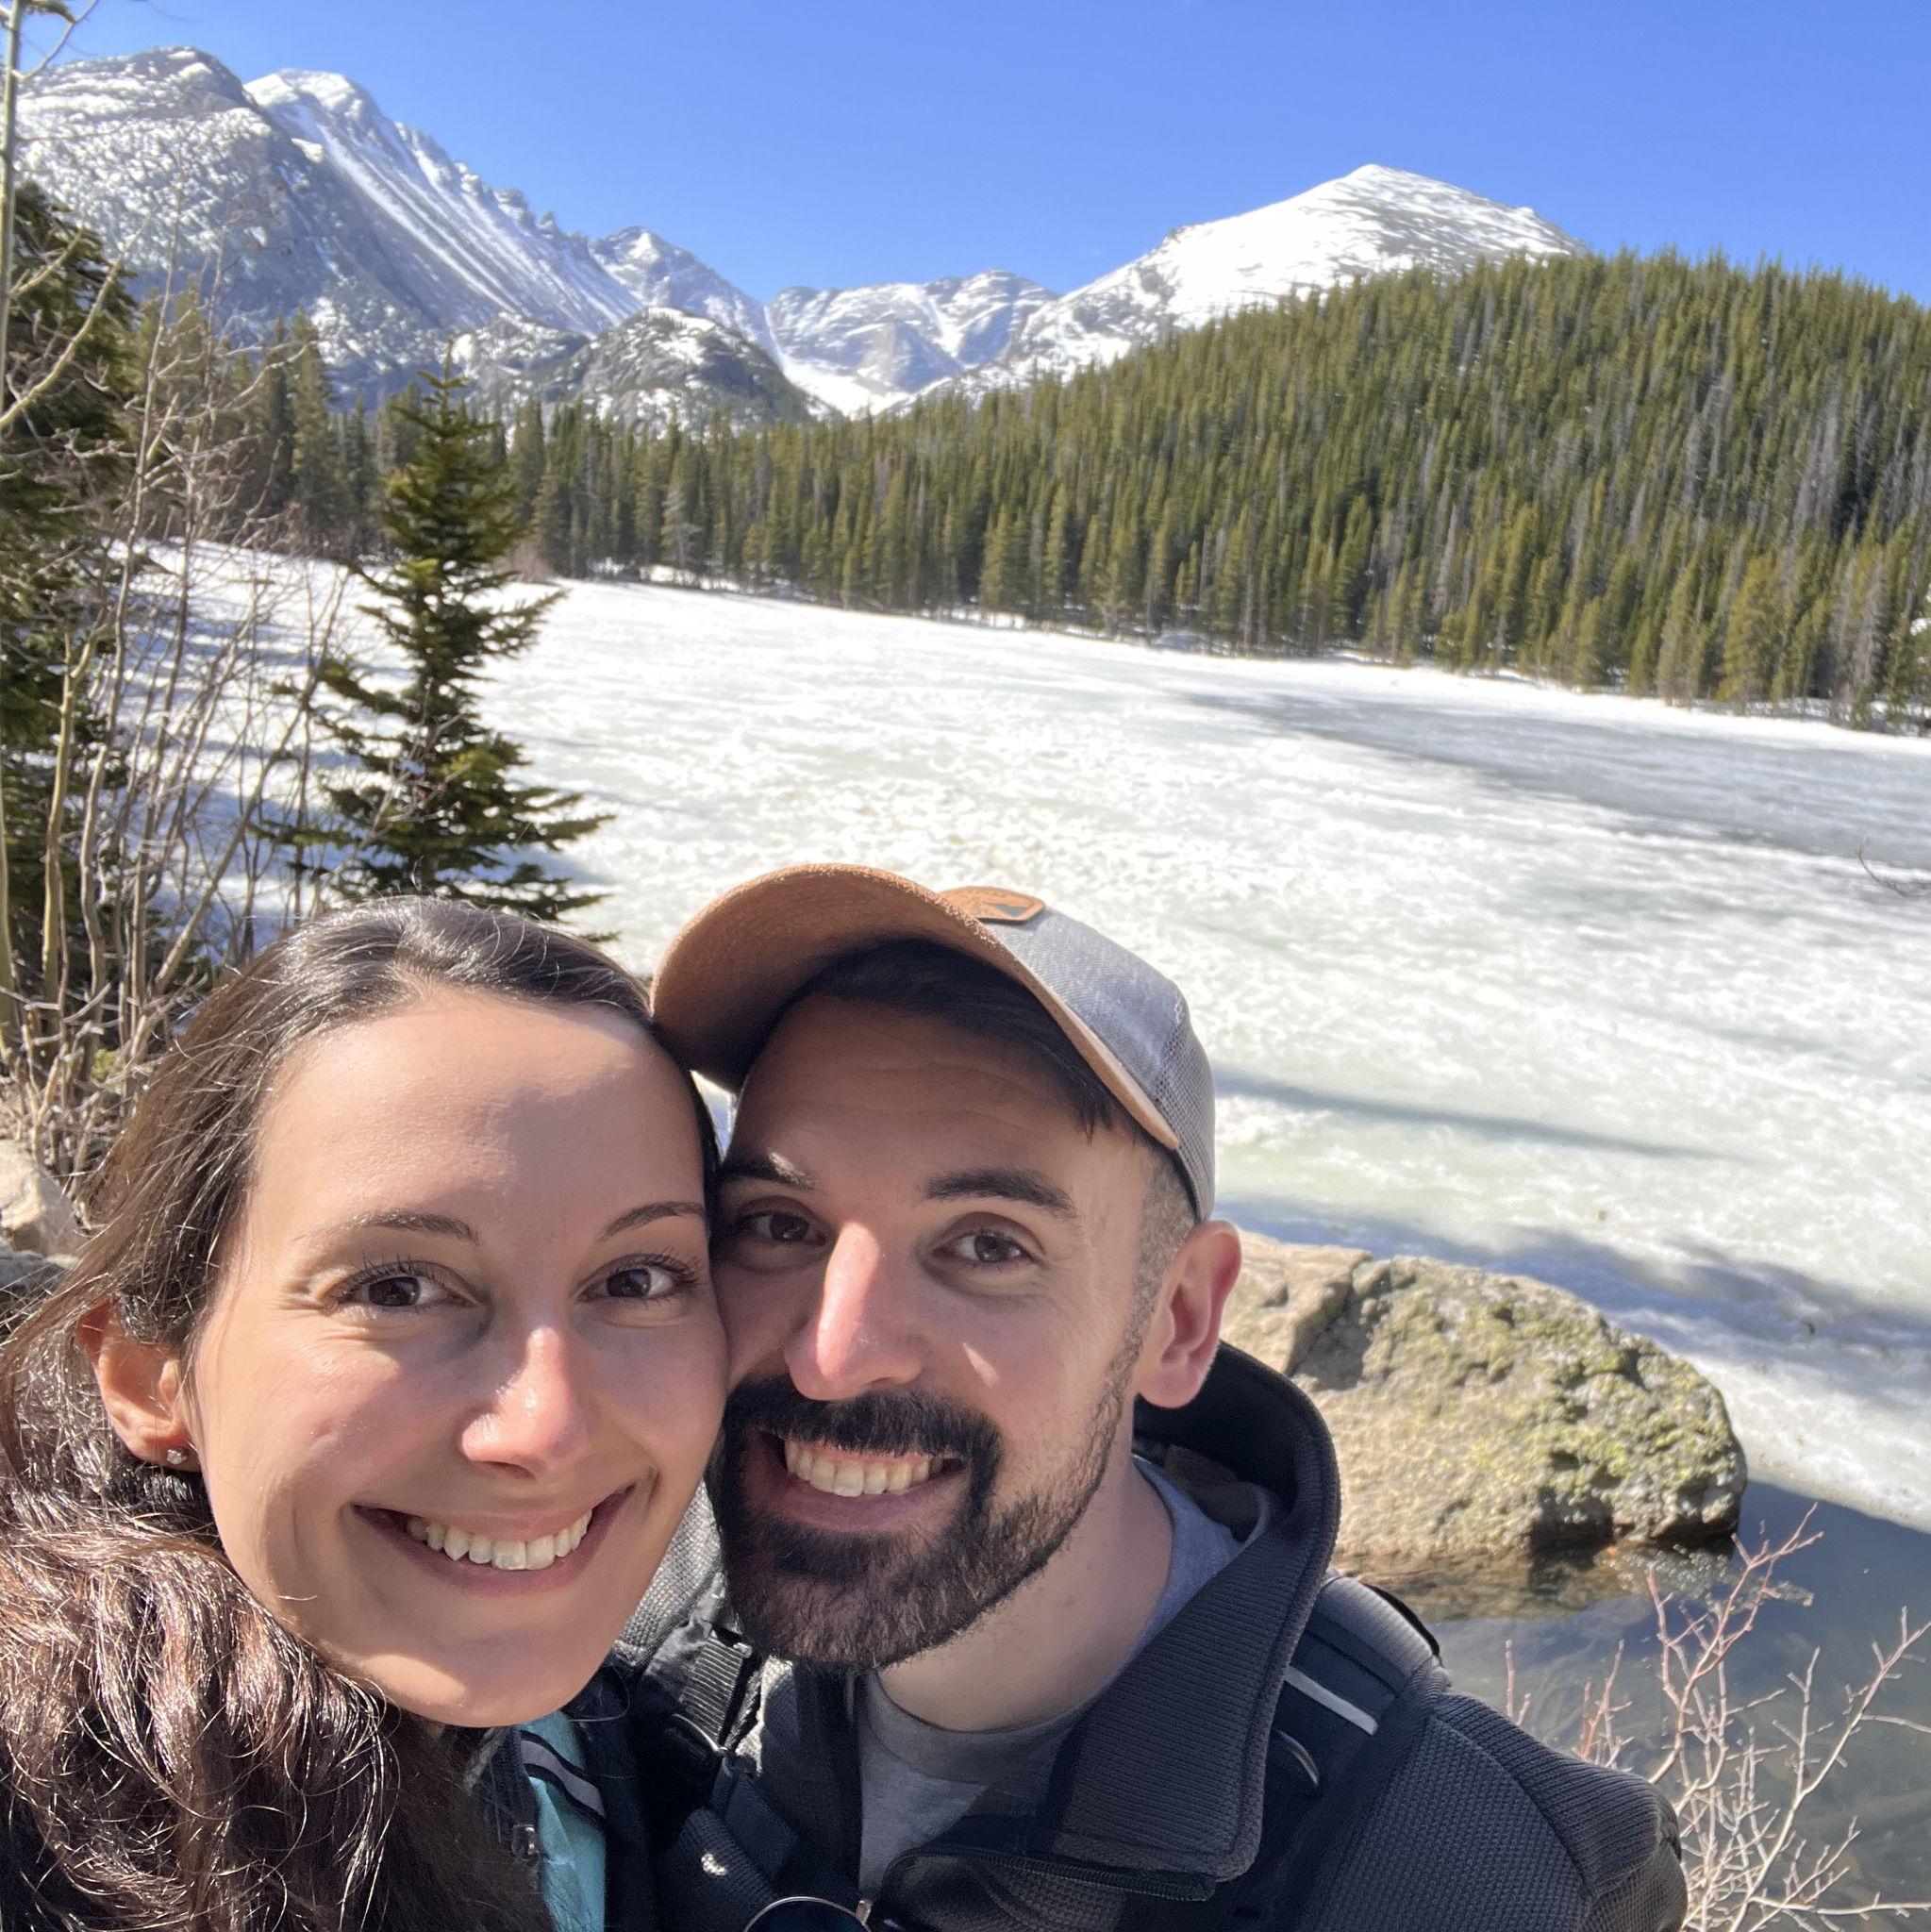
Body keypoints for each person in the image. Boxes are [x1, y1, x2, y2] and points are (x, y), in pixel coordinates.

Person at [624, 863, 1689, 1932]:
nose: (830, 1355)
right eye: (778, 1222)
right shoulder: (632, 1605)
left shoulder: (1458, 1873)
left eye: (988, 1245)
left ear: (1176, 1319)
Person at [0, 898, 730, 1932]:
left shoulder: (610, 1737)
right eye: (395, 1286)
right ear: (149, 1374)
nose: (544, 1427)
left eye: (638, 1275)